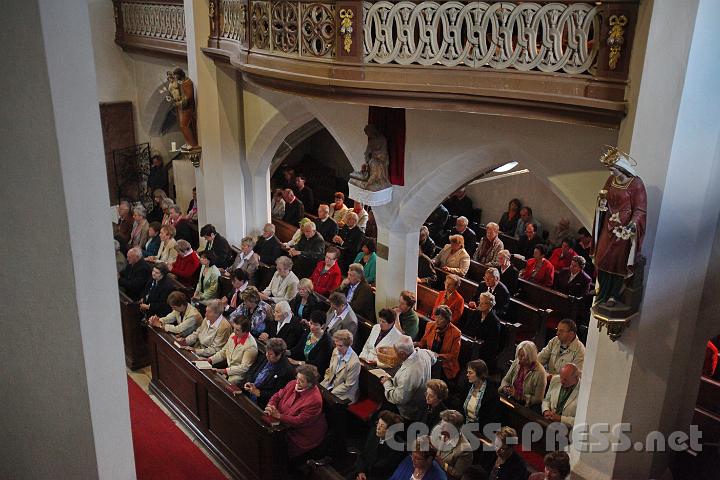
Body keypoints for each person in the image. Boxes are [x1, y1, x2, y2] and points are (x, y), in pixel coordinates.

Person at [593, 147, 647, 306]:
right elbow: (603, 198)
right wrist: (601, 204)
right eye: (609, 169)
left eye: (613, 169)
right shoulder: (611, 181)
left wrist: (632, 225)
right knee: (602, 258)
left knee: (617, 261)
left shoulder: (636, 184)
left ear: (622, 167)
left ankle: (614, 295)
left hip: (623, 231)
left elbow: (640, 209)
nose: (611, 173)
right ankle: (602, 291)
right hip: (608, 225)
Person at [265, 364, 328, 461]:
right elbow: (277, 396)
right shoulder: (292, 383)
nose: (297, 382)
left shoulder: (314, 400)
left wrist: (278, 416)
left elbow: (300, 421)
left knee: (274, 449)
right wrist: (271, 405)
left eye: (302, 381)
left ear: (310, 384)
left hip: (300, 434)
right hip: (281, 422)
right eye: (297, 378)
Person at [380, 336, 435, 420]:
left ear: (402, 353)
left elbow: (398, 399)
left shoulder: (407, 374)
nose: (394, 354)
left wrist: (386, 383)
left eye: (395, 352)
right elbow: (434, 358)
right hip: (422, 402)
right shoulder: (425, 353)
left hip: (408, 412)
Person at [350, 410, 406, 480]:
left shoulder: (398, 448)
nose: (378, 428)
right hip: (362, 471)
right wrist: (361, 471)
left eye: (382, 426)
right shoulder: (373, 432)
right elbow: (363, 455)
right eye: (378, 423)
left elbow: (387, 473)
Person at [244, 337, 294, 408]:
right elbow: (252, 370)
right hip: (249, 391)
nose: (267, 355)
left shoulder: (286, 370)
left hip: (262, 402)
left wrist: (259, 393)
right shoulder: (266, 355)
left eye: (270, 354)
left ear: (279, 355)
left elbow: (278, 392)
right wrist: (248, 381)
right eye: (267, 352)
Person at [208, 315, 258, 385]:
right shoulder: (233, 335)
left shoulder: (251, 346)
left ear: (245, 332)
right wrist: (210, 360)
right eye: (234, 328)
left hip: (239, 375)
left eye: (237, 330)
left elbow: (243, 368)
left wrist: (224, 371)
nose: (234, 331)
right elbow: (223, 352)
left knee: (224, 384)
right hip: (228, 368)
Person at [417, 305, 462, 380]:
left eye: (440, 319)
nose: (436, 321)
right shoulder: (430, 325)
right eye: (436, 317)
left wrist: (437, 355)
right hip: (429, 360)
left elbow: (453, 355)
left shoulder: (456, 333)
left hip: (444, 366)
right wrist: (414, 345)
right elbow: (423, 342)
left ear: (447, 320)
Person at [500, 341, 547, 409]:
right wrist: (505, 388)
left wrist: (519, 397)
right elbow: (506, 380)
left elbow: (538, 398)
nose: (519, 358)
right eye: (518, 355)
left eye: (522, 356)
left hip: (526, 406)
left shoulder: (540, 372)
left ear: (530, 356)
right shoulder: (517, 363)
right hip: (510, 399)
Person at [459, 292, 500, 368]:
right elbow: (466, 328)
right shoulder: (476, 313)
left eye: (483, 303)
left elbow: (492, 343)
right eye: (479, 302)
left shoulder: (494, 321)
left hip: (482, 351)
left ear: (489, 305)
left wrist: (477, 343)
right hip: (470, 344)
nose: (479, 305)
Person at [321, 329, 361, 403]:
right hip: (330, 383)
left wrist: (330, 393)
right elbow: (330, 370)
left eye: (340, 346)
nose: (337, 348)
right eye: (336, 344)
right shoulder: (336, 351)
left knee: (326, 402)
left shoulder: (354, 363)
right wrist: (326, 381)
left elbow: (348, 385)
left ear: (348, 345)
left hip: (344, 393)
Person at [290, 310, 332, 376]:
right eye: (311, 323)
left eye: (315, 325)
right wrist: (285, 352)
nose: (312, 327)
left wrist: (298, 362)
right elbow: (298, 348)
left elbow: (318, 363)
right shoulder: (308, 331)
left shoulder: (326, 341)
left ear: (322, 325)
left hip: (314, 372)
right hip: (302, 365)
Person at [434, 410, 473, 479]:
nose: (440, 427)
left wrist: (442, 464)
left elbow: (458, 474)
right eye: (441, 423)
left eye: (444, 426)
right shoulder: (441, 434)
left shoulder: (465, 449)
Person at [463, 359, 500, 430]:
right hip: (465, 424)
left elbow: (490, 418)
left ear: (479, 374)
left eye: (470, 373)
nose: (467, 375)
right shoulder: (467, 385)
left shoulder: (492, 393)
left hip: (481, 429)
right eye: (467, 372)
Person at [171, 68, 198, 149]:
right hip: (185, 107)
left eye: (176, 75)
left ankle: (193, 144)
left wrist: (178, 103)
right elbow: (183, 95)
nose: (175, 77)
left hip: (189, 108)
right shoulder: (183, 82)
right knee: (182, 126)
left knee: (184, 126)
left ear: (179, 74)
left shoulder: (188, 82)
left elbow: (189, 97)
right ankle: (188, 142)